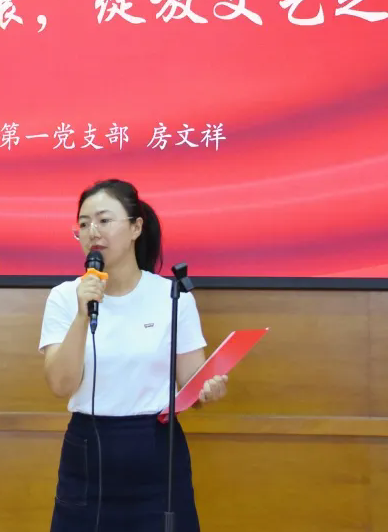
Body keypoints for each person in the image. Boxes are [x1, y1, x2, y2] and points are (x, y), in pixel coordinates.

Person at [38, 179, 228, 532]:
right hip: (88, 449)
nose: (93, 232)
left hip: (155, 449)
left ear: (136, 227)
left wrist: (209, 389)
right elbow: (61, 385)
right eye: (84, 224)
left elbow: (193, 384)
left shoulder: (172, 296)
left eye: (104, 220)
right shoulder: (65, 298)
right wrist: (82, 314)